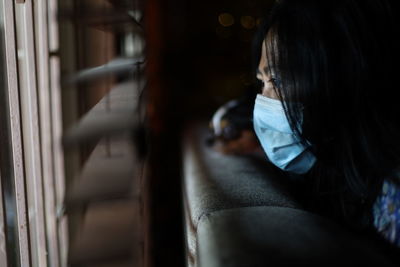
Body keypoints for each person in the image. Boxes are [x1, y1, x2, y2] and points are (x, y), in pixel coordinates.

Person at [214, 0, 400, 249]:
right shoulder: (335, 173)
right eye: (262, 83)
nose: (263, 105)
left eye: (277, 80)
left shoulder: (390, 194)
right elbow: (227, 115)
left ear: (338, 75)